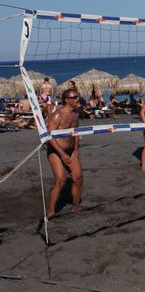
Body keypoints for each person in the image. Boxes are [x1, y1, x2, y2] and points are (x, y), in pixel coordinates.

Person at [46, 89, 84, 218]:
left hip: (71, 150)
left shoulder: (76, 113)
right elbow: (49, 136)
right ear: (66, 100)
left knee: (78, 178)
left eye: (78, 97)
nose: (77, 99)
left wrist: (76, 150)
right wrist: (62, 154)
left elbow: (76, 132)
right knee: (61, 180)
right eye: (74, 97)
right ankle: (51, 209)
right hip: (56, 151)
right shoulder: (58, 114)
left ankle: (76, 205)